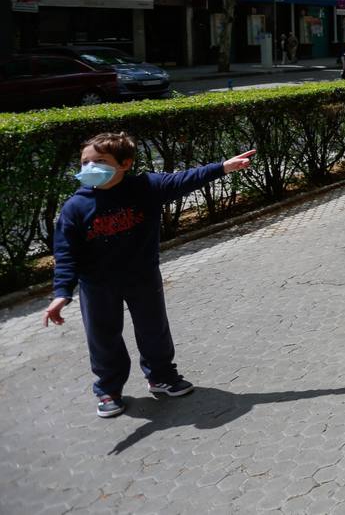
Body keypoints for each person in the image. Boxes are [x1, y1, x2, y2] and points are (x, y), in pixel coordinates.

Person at [42, 132, 255, 418]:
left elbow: (183, 179)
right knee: (103, 336)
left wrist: (222, 168)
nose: (90, 168)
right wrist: (61, 293)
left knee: (154, 328)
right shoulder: (75, 208)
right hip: (98, 285)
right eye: (85, 162)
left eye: (100, 161)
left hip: (142, 276)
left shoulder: (145, 187)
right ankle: (108, 388)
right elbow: (66, 254)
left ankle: (162, 377)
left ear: (124, 163)